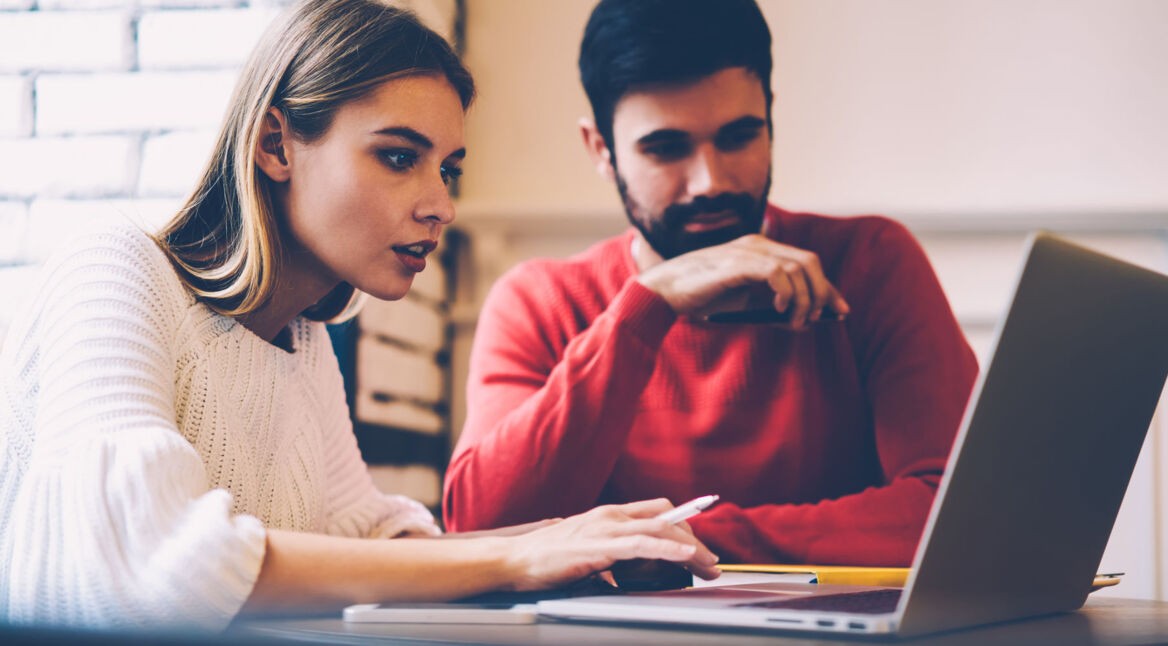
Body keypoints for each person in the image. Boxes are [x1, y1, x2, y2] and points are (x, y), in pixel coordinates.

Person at [0, 0, 719, 631]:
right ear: (275, 144)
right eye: (399, 156)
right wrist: (516, 555)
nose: (441, 204)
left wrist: (578, 537)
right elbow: (147, 559)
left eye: (448, 168)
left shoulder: (302, 337)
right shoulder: (114, 267)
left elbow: (372, 542)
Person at [444, 0, 979, 567]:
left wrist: (686, 537)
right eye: (666, 148)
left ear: (770, 119)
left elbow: (960, 513)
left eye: (739, 137)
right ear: (601, 150)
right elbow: (484, 528)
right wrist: (647, 306)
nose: (710, 181)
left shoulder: (870, 262)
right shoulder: (539, 302)